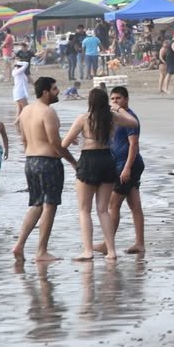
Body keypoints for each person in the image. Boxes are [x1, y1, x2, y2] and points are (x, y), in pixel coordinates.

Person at [61, 87, 139, 261]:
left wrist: (74, 160)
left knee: (84, 210)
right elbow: (133, 123)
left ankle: (88, 251)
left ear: (90, 102)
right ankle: (111, 251)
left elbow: (63, 145)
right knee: (103, 210)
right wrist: (118, 108)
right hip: (107, 160)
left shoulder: (84, 118)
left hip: (88, 160)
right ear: (106, 102)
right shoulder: (112, 117)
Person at [14, 77, 78, 263]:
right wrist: (73, 162)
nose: (58, 91)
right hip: (48, 163)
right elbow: (54, 143)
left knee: (37, 204)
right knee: (50, 206)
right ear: (45, 92)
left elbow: (25, 139)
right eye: (55, 89)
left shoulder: (26, 111)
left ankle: (19, 245)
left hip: (30, 161)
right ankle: (41, 251)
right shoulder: (48, 111)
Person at [105, 86, 145, 255]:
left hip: (128, 165)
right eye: (112, 99)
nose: (115, 101)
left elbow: (134, 144)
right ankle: (140, 243)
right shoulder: (113, 118)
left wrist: (127, 167)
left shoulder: (130, 118)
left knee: (113, 205)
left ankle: (108, 244)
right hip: (120, 164)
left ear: (126, 99)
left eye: (118, 98)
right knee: (134, 204)